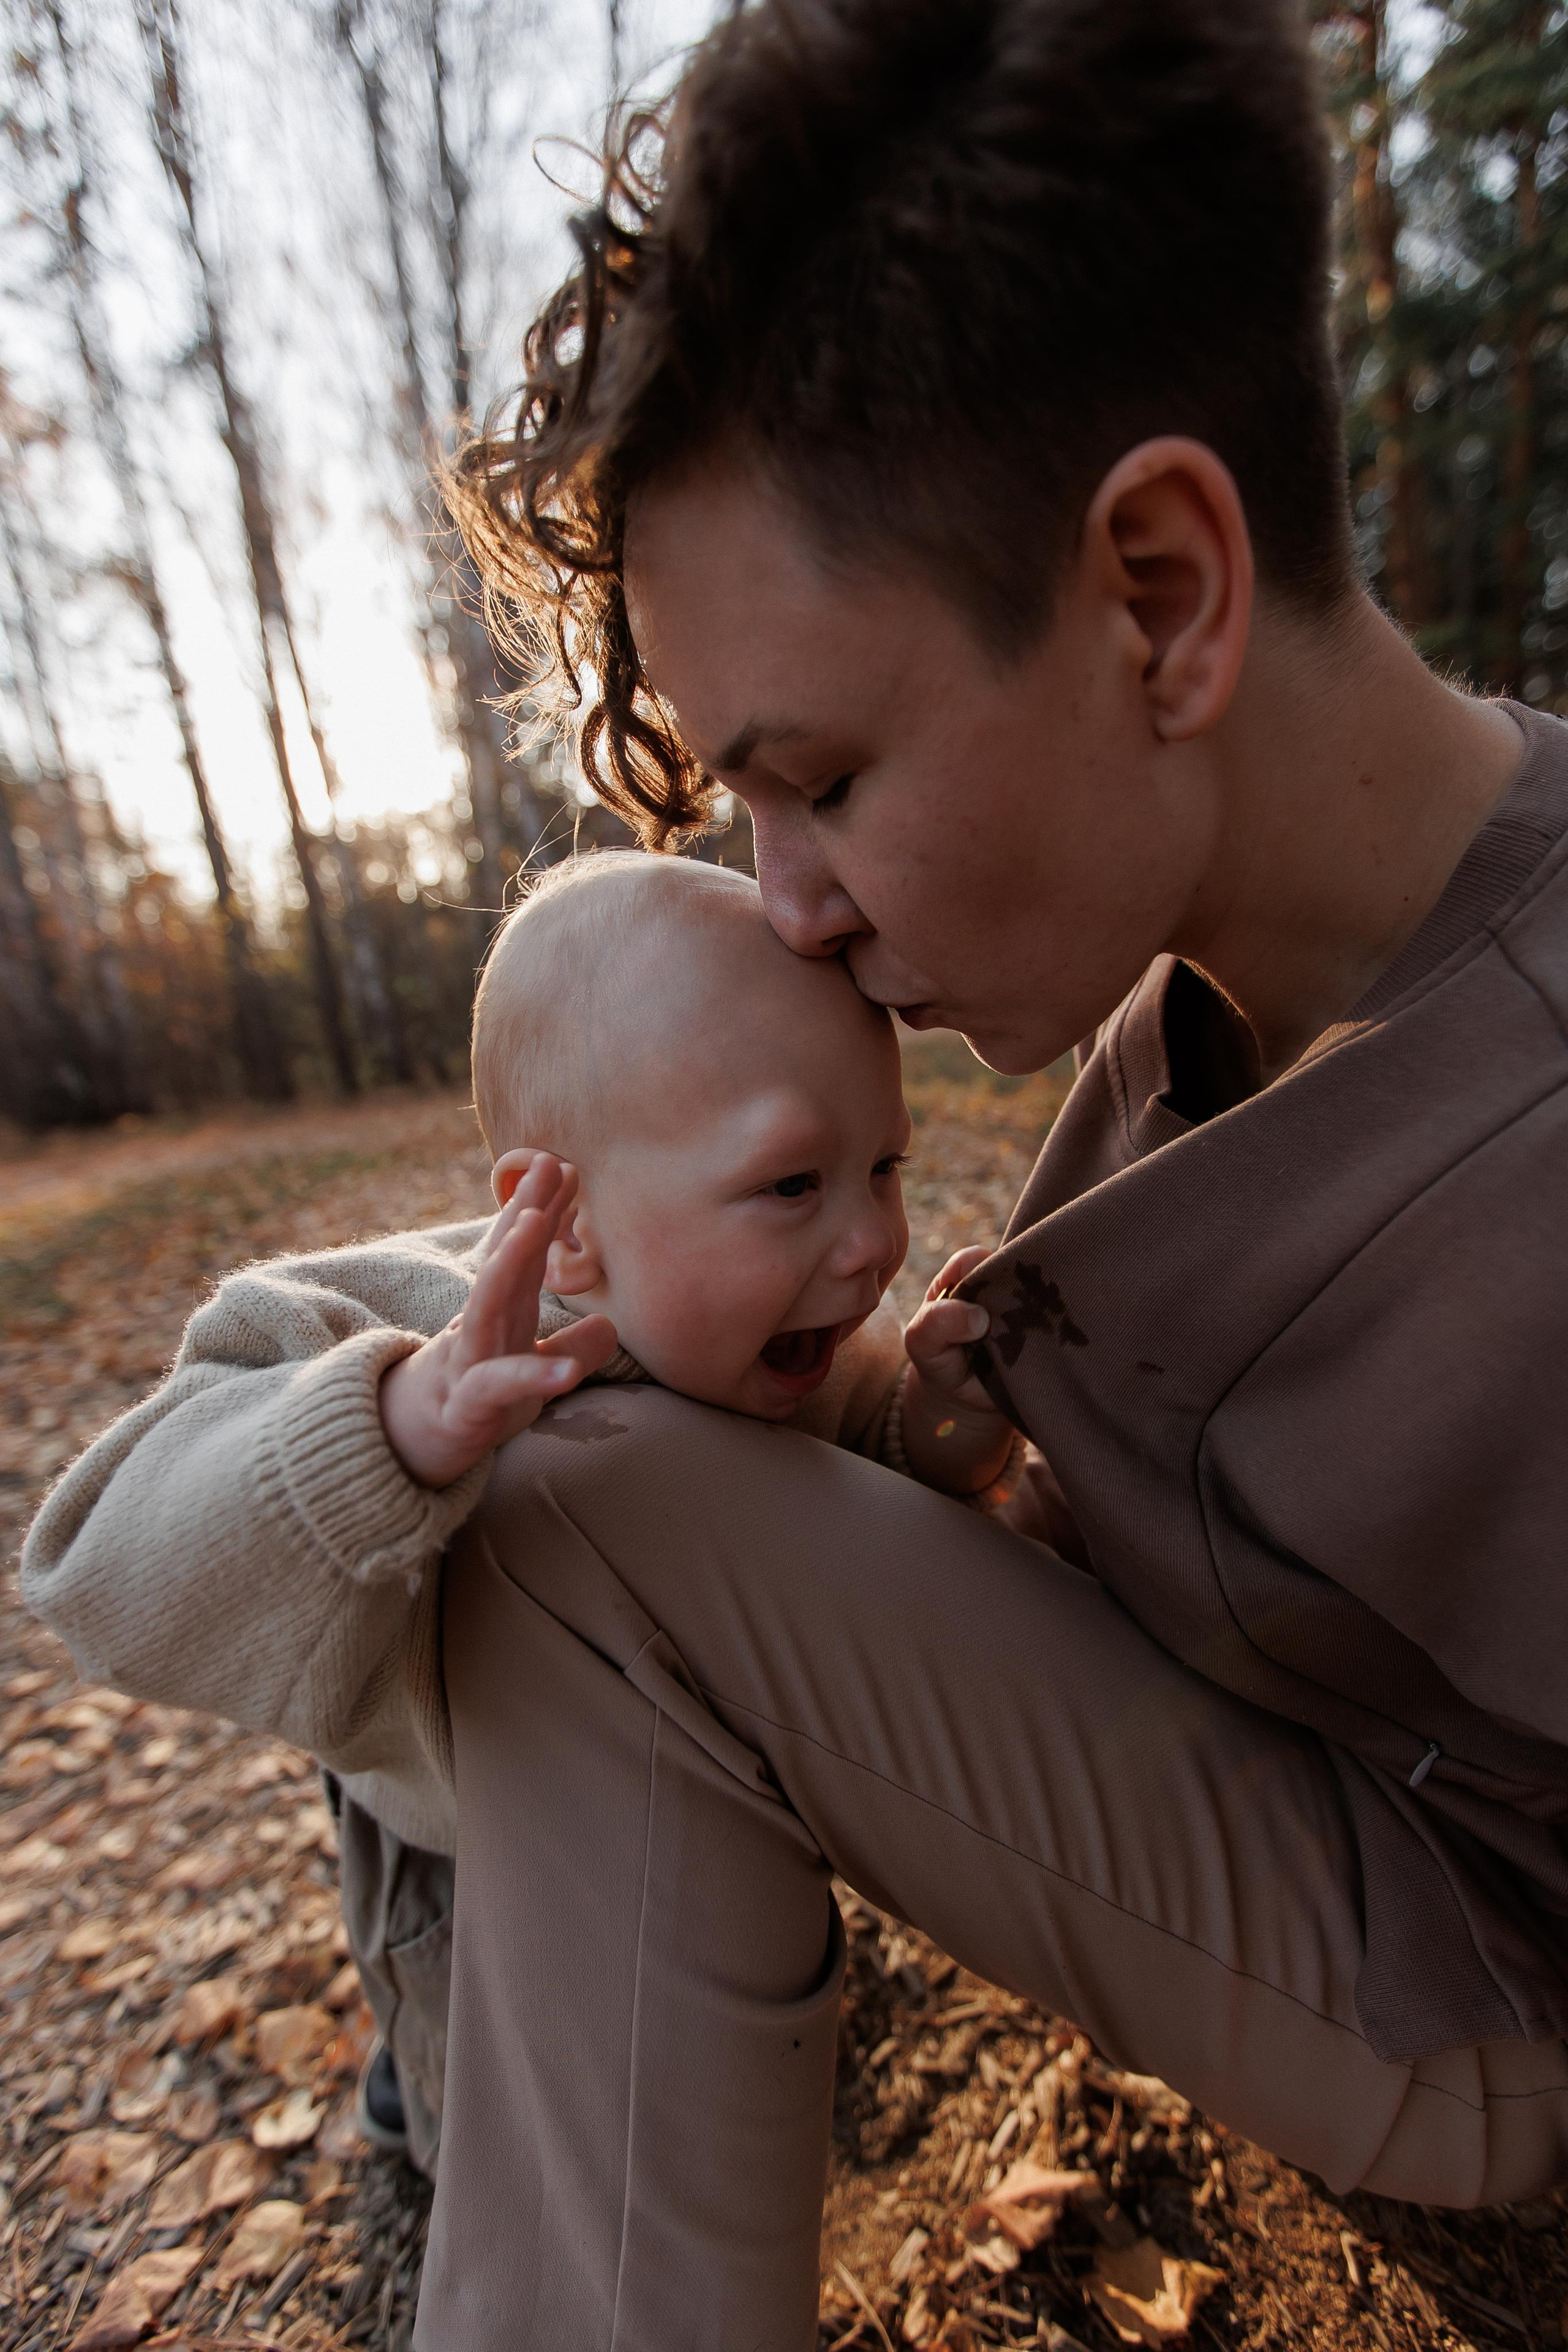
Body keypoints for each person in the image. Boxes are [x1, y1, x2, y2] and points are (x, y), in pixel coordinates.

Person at [407, 0, 1562, 2340]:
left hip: (1487, 1999)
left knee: (576, 1521)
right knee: (524, 1383)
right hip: (1300, 1840)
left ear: (1159, 591)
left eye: (820, 778)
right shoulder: (1195, 981)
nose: (789, 901)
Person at [20, 851, 1023, 2177]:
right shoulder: (379, 1321)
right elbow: (93, 1567)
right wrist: (389, 1429)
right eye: (793, 1185)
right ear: (562, 1232)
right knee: (511, 2150)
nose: (868, 1244)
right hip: (470, 1858)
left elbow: (861, 1440)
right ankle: (414, 2093)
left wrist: (942, 1425)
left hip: (695, 1809)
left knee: (719, 2077)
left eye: (883, 1166)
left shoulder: (779, 1320)